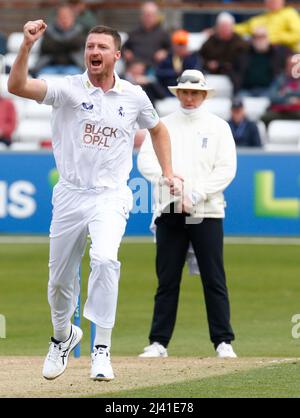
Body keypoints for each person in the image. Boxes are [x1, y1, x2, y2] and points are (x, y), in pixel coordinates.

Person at [8, 20, 174, 381]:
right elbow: (16, 85)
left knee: (104, 259)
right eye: (89, 47)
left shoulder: (133, 96)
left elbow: (158, 130)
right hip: (70, 195)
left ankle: (102, 350)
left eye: (101, 47)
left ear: (117, 55)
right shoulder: (67, 89)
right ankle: (62, 337)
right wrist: (26, 46)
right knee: (59, 282)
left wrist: (168, 172)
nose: (94, 52)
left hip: (110, 196)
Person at [137, 69, 237, 359]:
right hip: (170, 209)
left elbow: (226, 169)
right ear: (178, 93)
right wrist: (170, 182)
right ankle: (158, 342)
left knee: (213, 277)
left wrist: (197, 193)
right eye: (185, 92)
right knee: (167, 278)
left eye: (195, 93)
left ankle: (223, 341)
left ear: (204, 95)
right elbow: (146, 161)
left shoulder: (218, 127)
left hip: (206, 211)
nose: (190, 97)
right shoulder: (163, 125)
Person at [235, 26, 290, 97]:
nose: (259, 39)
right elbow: (236, 72)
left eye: (262, 36)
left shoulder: (277, 54)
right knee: (238, 102)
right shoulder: (244, 54)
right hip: (246, 90)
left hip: (268, 90)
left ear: (267, 37)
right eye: (256, 37)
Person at [200, 12, 247, 90]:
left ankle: (236, 97)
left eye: (227, 27)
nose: (224, 29)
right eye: (222, 27)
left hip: (232, 71)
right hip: (211, 71)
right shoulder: (211, 41)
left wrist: (223, 65)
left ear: (232, 27)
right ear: (217, 27)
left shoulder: (239, 42)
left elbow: (241, 62)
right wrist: (208, 64)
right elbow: (201, 56)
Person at [35, 3, 85, 76]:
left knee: (76, 77)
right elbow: (46, 47)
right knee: (43, 76)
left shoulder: (79, 31)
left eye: (67, 17)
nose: (64, 20)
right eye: (61, 17)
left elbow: (77, 44)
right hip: (50, 66)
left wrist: (57, 44)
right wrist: (68, 45)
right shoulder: (48, 30)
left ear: (72, 18)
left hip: (73, 66)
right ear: (56, 18)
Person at [234, 0, 300, 52]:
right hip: (259, 51)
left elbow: (297, 34)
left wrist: (273, 38)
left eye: (275, 1)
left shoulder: (289, 14)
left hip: (284, 50)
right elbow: (243, 28)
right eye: (270, 1)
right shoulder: (260, 18)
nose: (273, 2)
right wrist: (228, 27)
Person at [122, 1, 171, 69]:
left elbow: (172, 50)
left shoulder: (163, 34)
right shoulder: (134, 33)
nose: (148, 18)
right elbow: (123, 48)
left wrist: (165, 53)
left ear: (157, 17)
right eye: (146, 15)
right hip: (134, 69)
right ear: (141, 16)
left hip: (154, 70)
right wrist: (126, 52)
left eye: (151, 15)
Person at [156, 29, 202, 96]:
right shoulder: (167, 57)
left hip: (187, 91)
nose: (180, 48)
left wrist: (180, 72)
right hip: (168, 91)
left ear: (186, 45)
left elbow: (195, 74)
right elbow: (159, 73)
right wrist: (174, 72)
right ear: (173, 45)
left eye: (183, 45)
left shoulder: (193, 57)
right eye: (178, 45)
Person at [261, 54, 300, 126]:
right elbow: (272, 96)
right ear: (286, 66)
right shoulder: (280, 79)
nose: (293, 68)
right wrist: (289, 100)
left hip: (297, 112)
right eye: (290, 65)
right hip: (281, 112)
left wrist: (285, 93)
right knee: (264, 117)